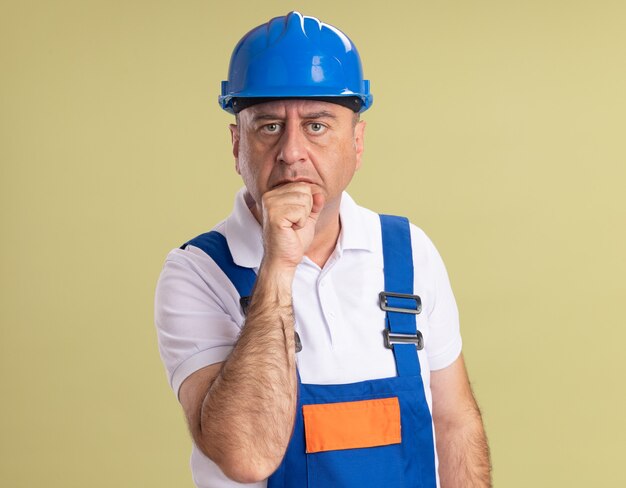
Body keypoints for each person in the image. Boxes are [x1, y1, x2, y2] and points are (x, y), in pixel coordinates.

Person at [155, 11, 491, 488]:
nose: (292, 151)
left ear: (356, 141)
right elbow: (247, 457)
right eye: (269, 126)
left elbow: (455, 426)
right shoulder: (198, 272)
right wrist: (278, 265)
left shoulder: (408, 252)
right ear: (236, 145)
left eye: (317, 126)